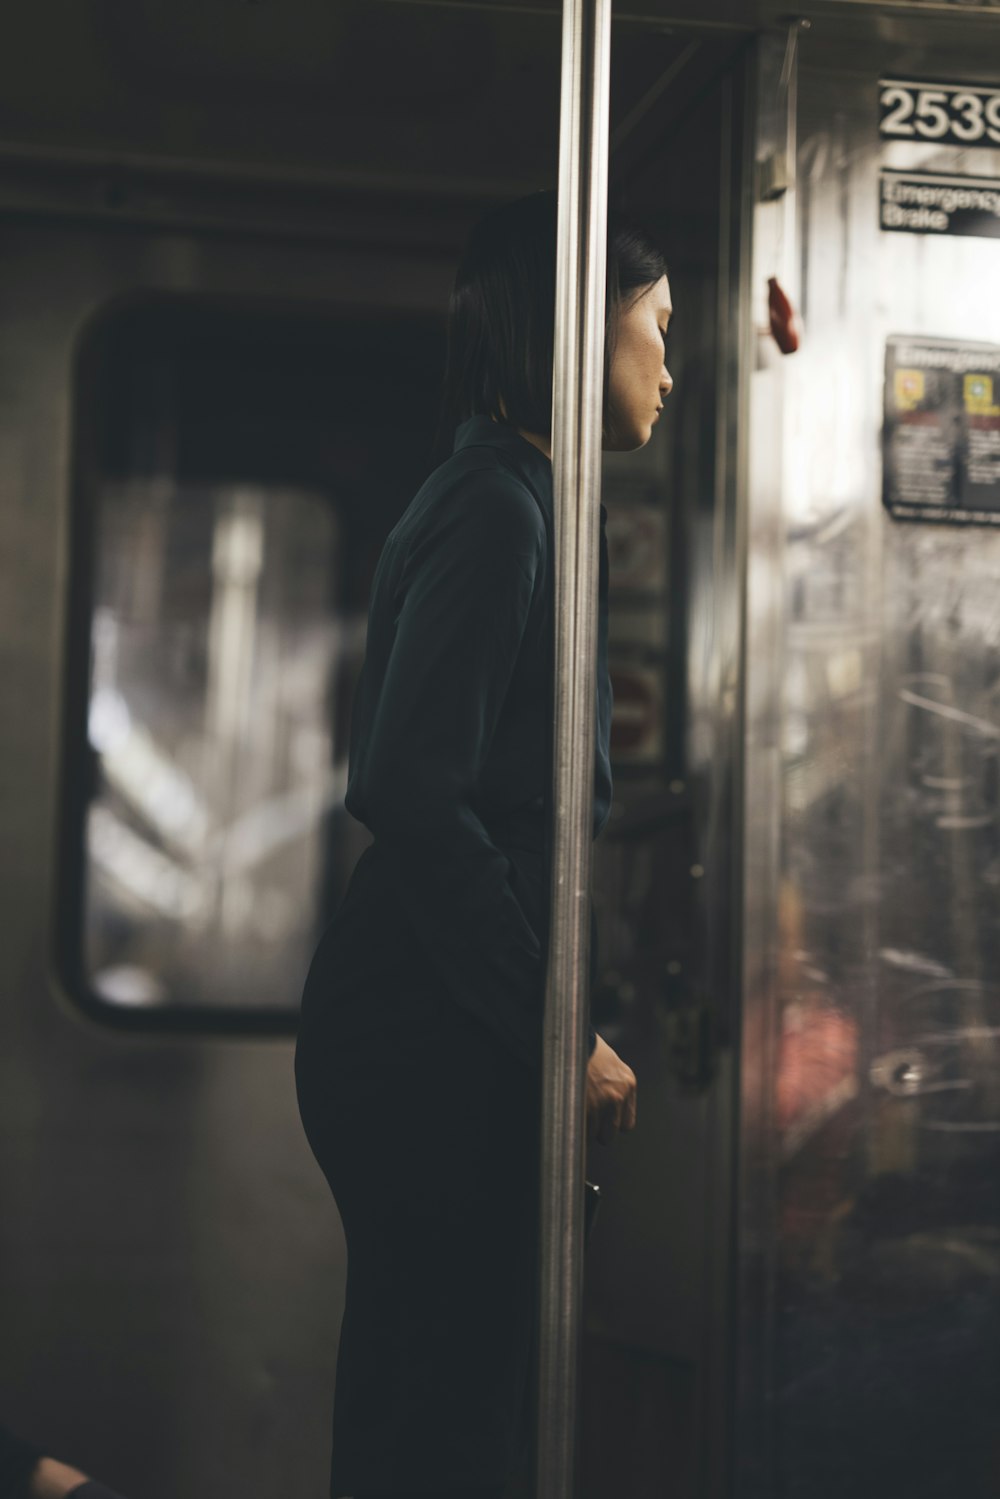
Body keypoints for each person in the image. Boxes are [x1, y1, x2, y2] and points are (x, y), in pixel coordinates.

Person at [294, 190, 673, 1499]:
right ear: (580, 333)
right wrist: (555, 1027)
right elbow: (408, 787)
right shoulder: (498, 508)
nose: (669, 369)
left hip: (447, 1018)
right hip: (423, 1027)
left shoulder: (519, 496)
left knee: (457, 1409)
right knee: (443, 1424)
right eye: (655, 330)